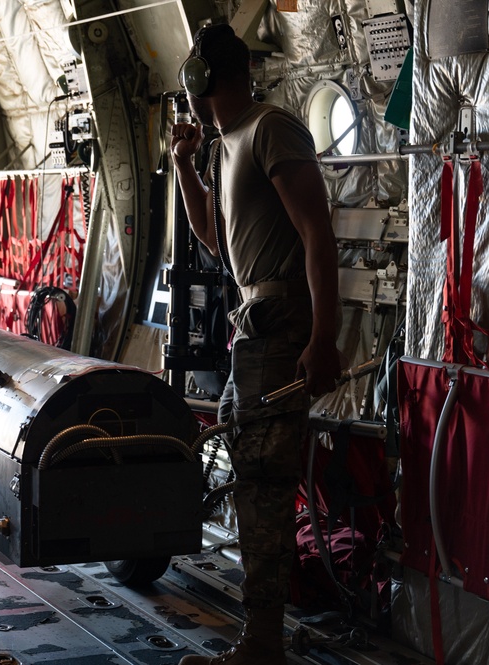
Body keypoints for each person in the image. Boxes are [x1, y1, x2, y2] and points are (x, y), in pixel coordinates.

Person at [171, 24, 342, 665]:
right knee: (249, 482)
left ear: (201, 79)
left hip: (279, 332)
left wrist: (325, 336)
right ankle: (259, 636)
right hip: (252, 334)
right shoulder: (227, 143)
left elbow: (318, 236)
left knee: (265, 488)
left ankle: (263, 644)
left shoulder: (271, 128)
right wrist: (187, 167)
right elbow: (216, 238)